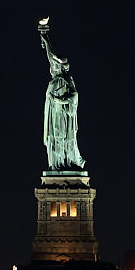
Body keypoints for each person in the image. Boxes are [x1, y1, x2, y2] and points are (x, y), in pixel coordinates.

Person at [40, 22, 86, 170]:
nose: (54, 66)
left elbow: (74, 96)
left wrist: (60, 100)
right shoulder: (55, 79)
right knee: (55, 138)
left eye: (57, 65)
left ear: (62, 66)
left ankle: (68, 162)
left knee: (66, 138)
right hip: (54, 114)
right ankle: (56, 164)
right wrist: (45, 38)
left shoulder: (66, 80)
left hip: (65, 115)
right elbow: (50, 57)